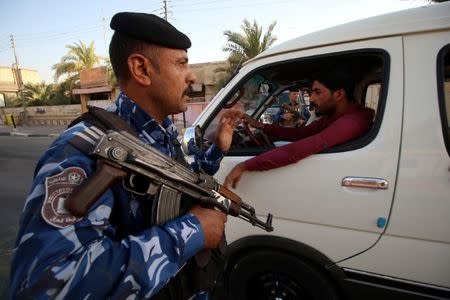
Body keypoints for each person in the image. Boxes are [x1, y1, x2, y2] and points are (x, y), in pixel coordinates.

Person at [10, 12, 241, 299]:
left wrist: (219, 148)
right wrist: (192, 232)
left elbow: (182, 180)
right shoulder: (80, 149)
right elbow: (47, 284)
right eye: (181, 63)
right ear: (141, 70)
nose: (191, 75)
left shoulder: (161, 133)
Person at [224, 67, 375, 188]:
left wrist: (244, 166)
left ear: (339, 94)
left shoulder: (352, 122)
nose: (313, 98)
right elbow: (301, 133)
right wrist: (261, 126)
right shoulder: (334, 118)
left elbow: (298, 149)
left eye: (317, 92)